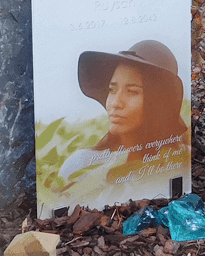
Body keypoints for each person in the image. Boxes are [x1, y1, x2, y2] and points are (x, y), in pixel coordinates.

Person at [58, 40, 188, 185]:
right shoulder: (81, 165)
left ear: (158, 101)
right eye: (112, 90)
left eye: (132, 92)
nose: (115, 103)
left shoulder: (178, 161)